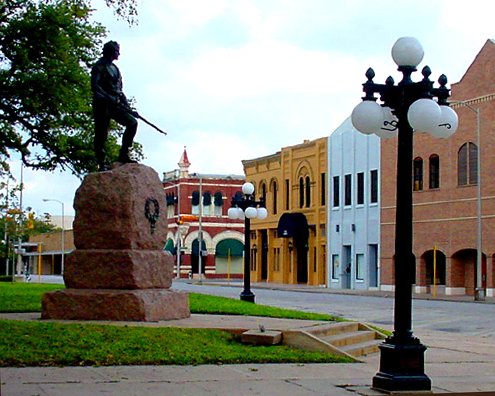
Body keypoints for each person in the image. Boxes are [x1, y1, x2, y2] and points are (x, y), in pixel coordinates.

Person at [91, 41, 138, 171]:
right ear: (110, 51)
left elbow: (119, 91)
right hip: (102, 105)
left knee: (132, 123)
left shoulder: (115, 69)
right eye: (116, 51)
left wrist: (128, 107)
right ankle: (101, 162)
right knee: (101, 134)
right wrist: (108, 97)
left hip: (116, 105)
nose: (118, 53)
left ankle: (123, 154)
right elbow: (95, 87)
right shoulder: (99, 66)